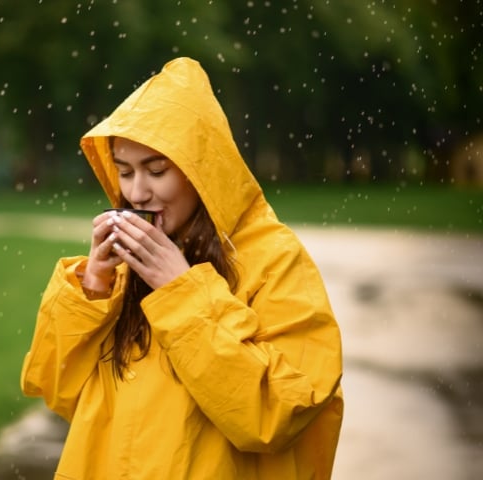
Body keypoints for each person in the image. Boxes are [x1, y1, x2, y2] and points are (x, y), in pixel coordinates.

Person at [20, 57, 343, 479]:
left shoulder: (276, 259)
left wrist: (181, 290)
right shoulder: (120, 267)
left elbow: (278, 412)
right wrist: (93, 288)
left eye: (157, 170)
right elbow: (58, 390)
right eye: (124, 172)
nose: (136, 192)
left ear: (201, 170)